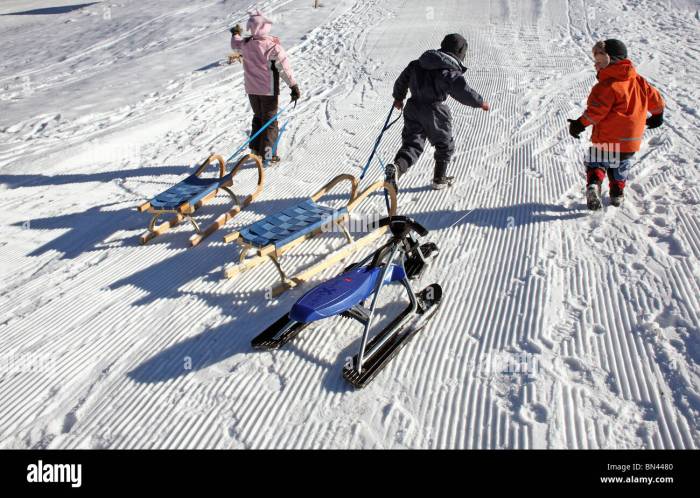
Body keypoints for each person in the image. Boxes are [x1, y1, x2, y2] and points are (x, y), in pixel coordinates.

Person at [568, 39, 665, 209]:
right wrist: (658, 115)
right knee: (620, 165)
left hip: (607, 138)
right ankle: (617, 194)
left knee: (596, 161)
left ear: (613, 61)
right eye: (595, 62)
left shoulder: (606, 86)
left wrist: (579, 124)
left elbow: (595, 113)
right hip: (630, 141)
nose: (596, 66)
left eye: (600, 61)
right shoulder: (639, 81)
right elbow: (656, 100)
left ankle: (594, 185)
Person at [385, 33, 489, 192]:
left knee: (412, 143)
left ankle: (397, 168)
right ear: (460, 52)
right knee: (444, 144)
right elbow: (462, 91)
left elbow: (402, 80)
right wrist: (480, 102)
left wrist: (399, 98)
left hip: (413, 108)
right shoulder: (448, 71)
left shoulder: (417, 64)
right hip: (435, 111)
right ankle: (439, 179)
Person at [230, 10, 301, 164]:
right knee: (270, 122)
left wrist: (235, 33)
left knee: (258, 117)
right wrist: (293, 86)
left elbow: (235, 44)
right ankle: (268, 155)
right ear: (265, 27)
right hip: (268, 91)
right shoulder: (273, 47)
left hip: (251, 90)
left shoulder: (246, 44)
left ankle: (255, 149)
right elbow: (284, 68)